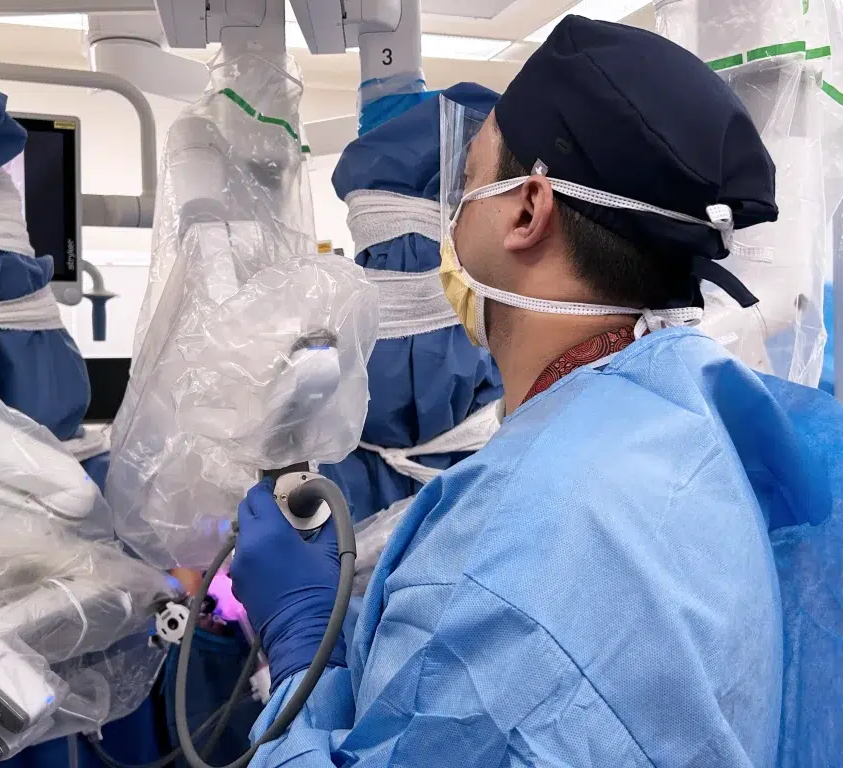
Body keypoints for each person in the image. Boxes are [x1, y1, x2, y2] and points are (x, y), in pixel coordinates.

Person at [228, 16, 843, 767]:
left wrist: (301, 658)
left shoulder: (507, 546)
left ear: (528, 209)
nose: (455, 212)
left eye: (468, 181)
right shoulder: (699, 413)